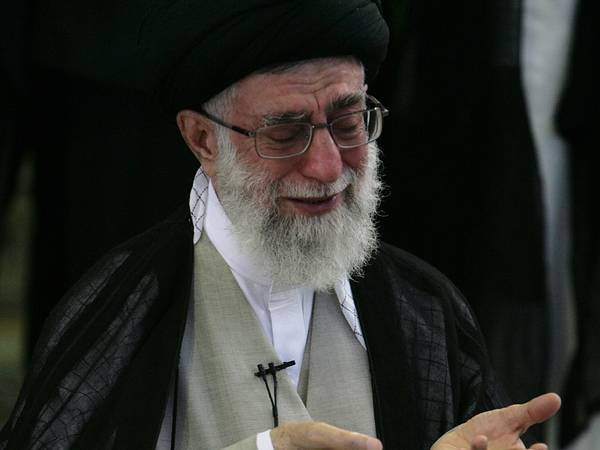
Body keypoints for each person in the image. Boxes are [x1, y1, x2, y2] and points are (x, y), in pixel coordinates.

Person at [0, 1, 561, 449]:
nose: (327, 166)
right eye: (285, 133)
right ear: (202, 140)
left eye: (348, 121)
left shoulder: (425, 310)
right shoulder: (116, 315)